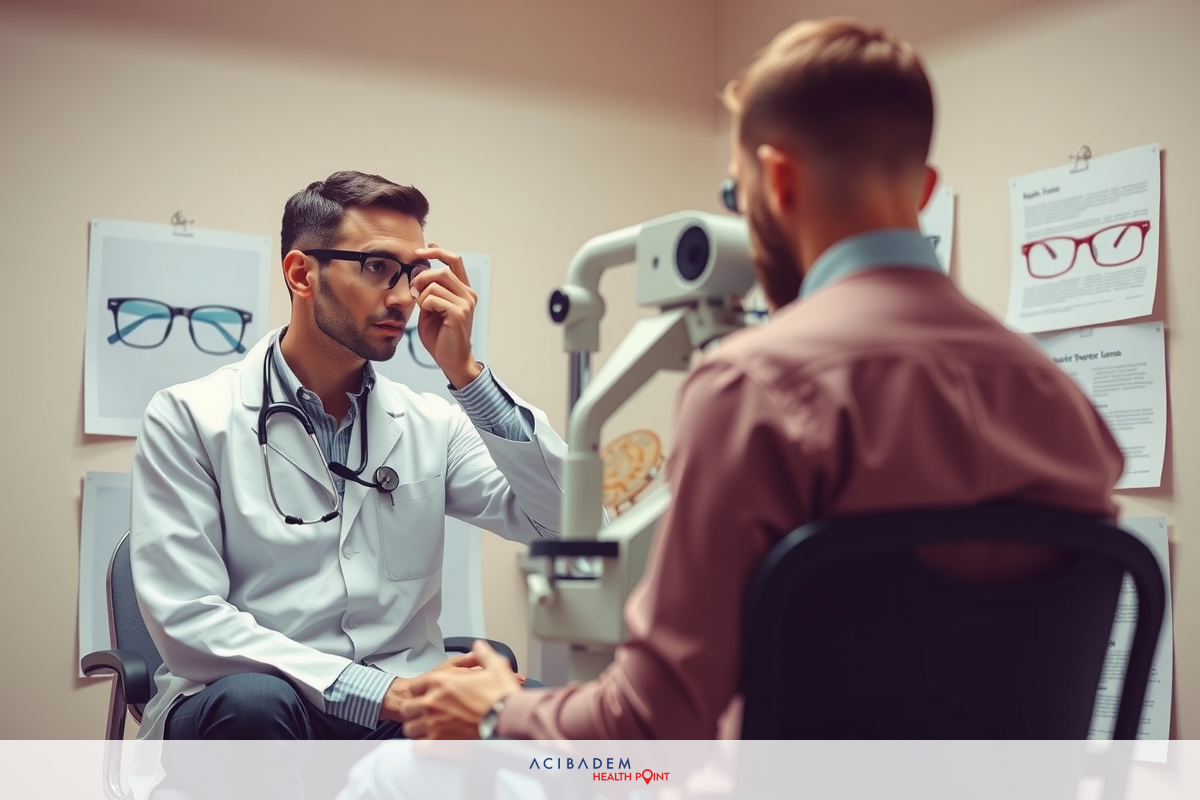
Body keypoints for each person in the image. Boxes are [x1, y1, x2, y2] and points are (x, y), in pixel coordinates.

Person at [385, 17, 1124, 741]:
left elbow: (653, 721)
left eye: (737, 194)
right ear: (924, 188)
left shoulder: (756, 386)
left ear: (775, 179)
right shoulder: (1064, 405)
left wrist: (494, 711)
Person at [130, 170, 567, 742]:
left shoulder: (431, 423)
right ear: (301, 273)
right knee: (255, 702)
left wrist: (467, 374)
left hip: (400, 704)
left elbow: (567, 524)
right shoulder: (189, 417)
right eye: (378, 267)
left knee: (534, 719)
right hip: (253, 695)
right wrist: (373, 692)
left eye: (413, 273)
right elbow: (189, 618)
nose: (406, 297)